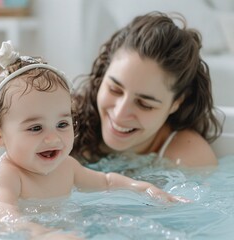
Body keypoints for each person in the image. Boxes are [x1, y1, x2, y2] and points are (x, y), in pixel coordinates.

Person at [0, 41, 188, 239]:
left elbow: (107, 182)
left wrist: (144, 188)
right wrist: (41, 233)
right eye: (35, 128)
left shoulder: (66, 167)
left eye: (62, 124)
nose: (53, 137)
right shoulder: (6, 176)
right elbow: (2, 213)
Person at [71, 11, 224, 168]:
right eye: (115, 90)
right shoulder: (64, 125)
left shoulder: (187, 160)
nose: (119, 114)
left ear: (176, 103)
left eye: (144, 104)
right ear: (103, 74)